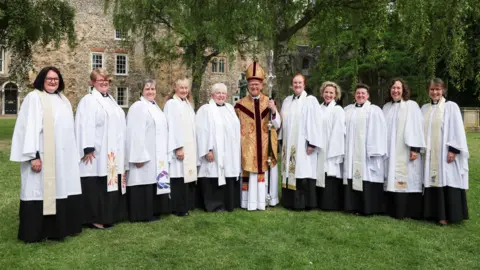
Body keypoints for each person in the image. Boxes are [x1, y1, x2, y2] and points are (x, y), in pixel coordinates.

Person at [10, 66, 83, 242]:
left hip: (61, 158)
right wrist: (33, 155)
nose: (53, 81)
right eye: (49, 78)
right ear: (42, 80)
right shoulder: (34, 98)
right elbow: (28, 128)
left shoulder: (63, 99)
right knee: (39, 191)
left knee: (60, 191)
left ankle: (59, 230)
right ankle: (36, 232)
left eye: (56, 79)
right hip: (42, 155)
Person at [75, 68, 127, 229]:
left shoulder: (110, 99)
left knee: (110, 181)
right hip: (97, 151)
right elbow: (85, 124)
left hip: (113, 150)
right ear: (92, 82)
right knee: (97, 184)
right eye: (100, 80)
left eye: (107, 80)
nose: (104, 83)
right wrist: (88, 148)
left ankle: (110, 215)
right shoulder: (89, 100)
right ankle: (94, 218)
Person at [422, 78, 469, 225]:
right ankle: (431, 213)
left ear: (443, 90)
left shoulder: (450, 107)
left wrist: (453, 149)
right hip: (429, 154)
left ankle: (446, 215)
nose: (435, 92)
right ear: (428, 91)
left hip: (445, 153)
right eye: (432, 89)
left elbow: (457, 129)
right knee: (431, 180)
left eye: (438, 89)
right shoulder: (424, 108)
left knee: (446, 179)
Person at [234, 62, 281, 211]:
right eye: (252, 84)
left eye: (257, 84)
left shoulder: (269, 102)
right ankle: (249, 202)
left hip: (265, 145)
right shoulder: (240, 105)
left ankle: (266, 199)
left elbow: (278, 125)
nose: (254, 87)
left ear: (261, 85)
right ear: (248, 86)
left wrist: (273, 111)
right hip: (248, 146)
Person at [125, 79, 171, 222]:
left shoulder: (156, 107)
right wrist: (138, 156)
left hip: (158, 154)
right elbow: (135, 133)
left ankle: (155, 209)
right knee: (142, 181)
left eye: (153, 89)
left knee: (154, 181)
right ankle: (142, 213)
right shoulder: (138, 107)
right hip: (144, 154)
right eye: (147, 89)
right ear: (142, 91)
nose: (151, 92)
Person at [383, 79, 425, 219]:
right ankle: (391, 209)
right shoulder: (386, 107)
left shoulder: (411, 105)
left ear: (404, 90)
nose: (395, 91)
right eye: (393, 88)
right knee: (390, 177)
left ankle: (406, 211)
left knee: (406, 178)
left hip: (405, 150)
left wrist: (415, 148)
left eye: (398, 88)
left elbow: (416, 128)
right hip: (390, 150)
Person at [279, 74, 322, 210]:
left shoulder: (310, 101)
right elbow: (282, 122)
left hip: (303, 144)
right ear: (292, 85)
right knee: (290, 171)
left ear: (304, 84)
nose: (297, 85)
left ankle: (304, 203)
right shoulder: (287, 101)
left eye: (300, 83)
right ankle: (289, 202)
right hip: (289, 143)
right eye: (295, 83)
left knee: (302, 172)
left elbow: (315, 123)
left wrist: (312, 143)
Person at [196, 83, 241, 212]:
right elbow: (201, 130)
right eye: (218, 93)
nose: (221, 95)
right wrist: (207, 150)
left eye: (223, 93)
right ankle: (214, 205)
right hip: (214, 151)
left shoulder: (230, 108)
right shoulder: (206, 109)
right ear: (212, 94)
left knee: (228, 174)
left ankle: (228, 203)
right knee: (213, 174)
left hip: (229, 152)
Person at [343, 83, 387, 215]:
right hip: (352, 152)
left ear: (368, 95)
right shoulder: (348, 110)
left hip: (367, 154)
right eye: (358, 93)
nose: (360, 95)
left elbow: (378, 131)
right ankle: (352, 206)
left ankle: (368, 208)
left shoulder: (374, 110)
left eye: (363, 93)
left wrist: (374, 151)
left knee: (367, 177)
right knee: (353, 176)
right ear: (354, 95)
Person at [164, 78, 197, 216]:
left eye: (186, 88)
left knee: (186, 178)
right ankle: (177, 207)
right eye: (181, 88)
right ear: (175, 89)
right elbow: (173, 126)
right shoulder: (172, 104)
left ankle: (187, 205)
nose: (184, 90)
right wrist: (178, 147)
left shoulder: (187, 104)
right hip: (179, 147)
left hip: (189, 147)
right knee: (178, 177)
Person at [316, 81, 346, 211]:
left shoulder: (337, 110)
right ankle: (319, 202)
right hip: (318, 147)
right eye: (326, 92)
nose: (328, 94)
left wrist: (333, 151)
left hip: (331, 147)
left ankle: (330, 204)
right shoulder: (318, 108)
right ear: (322, 93)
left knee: (329, 173)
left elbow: (338, 131)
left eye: (331, 93)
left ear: (336, 95)